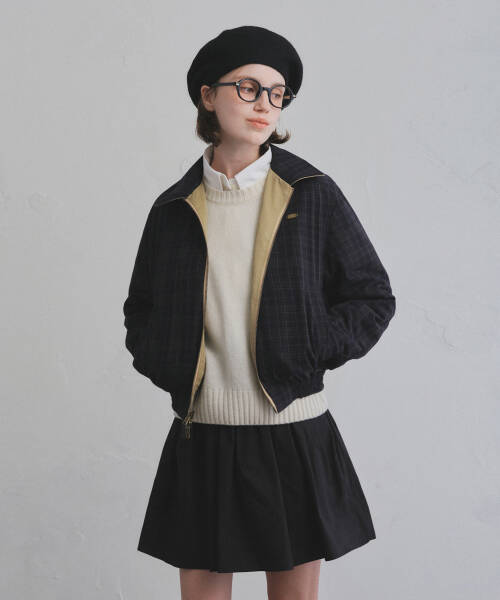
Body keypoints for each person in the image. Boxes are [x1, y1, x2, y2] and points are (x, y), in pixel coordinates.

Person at [123, 25, 396, 600]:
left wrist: (310, 347)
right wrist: (164, 361)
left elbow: (371, 295)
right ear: (207, 96)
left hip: (294, 431)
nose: (264, 104)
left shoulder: (311, 192)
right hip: (202, 434)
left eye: (277, 93)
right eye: (248, 88)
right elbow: (140, 308)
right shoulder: (173, 208)